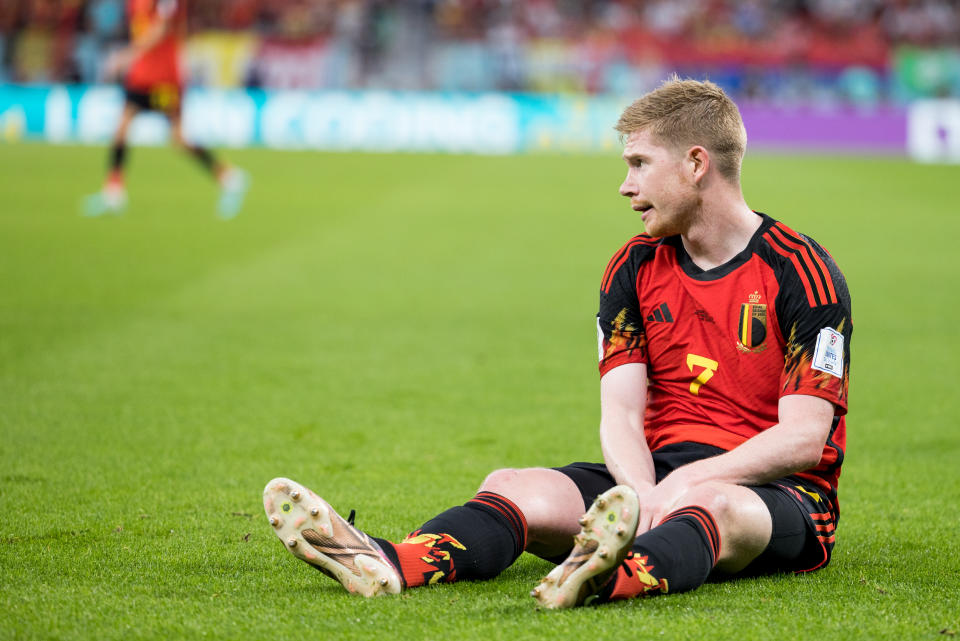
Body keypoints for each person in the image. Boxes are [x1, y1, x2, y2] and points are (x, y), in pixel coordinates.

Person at [262, 77, 851, 608]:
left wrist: (686, 485)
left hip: (776, 495)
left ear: (697, 163)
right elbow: (620, 413)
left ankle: (604, 575)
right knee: (512, 486)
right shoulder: (633, 267)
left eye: (640, 164)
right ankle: (388, 562)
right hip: (657, 475)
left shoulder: (800, 271)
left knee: (716, 508)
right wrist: (644, 494)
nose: (625, 186)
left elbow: (803, 439)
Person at [84, 0, 248, 218]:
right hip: (141, 78)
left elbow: (160, 29)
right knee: (121, 129)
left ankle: (229, 177)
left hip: (164, 80)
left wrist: (126, 55)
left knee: (179, 139)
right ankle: (113, 192)